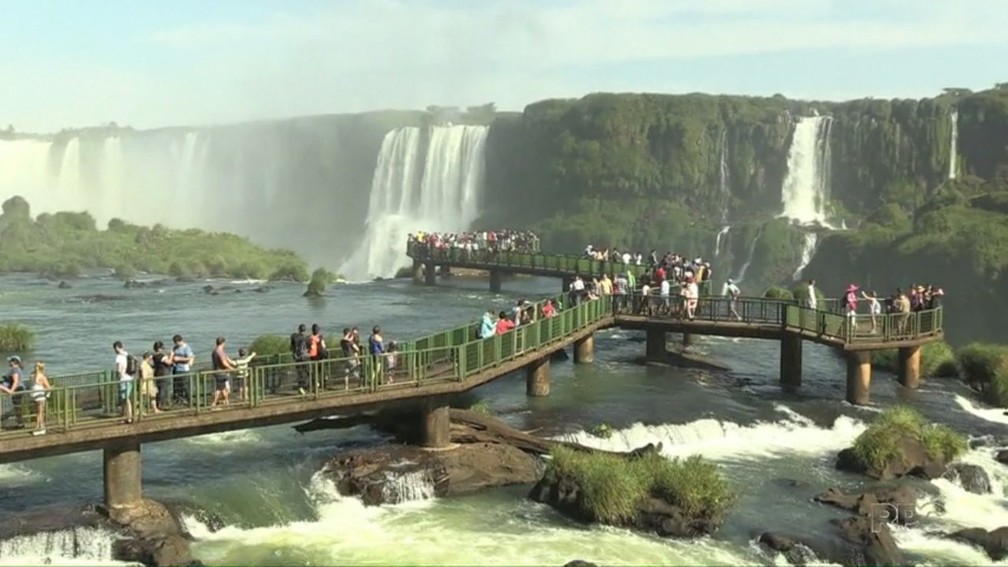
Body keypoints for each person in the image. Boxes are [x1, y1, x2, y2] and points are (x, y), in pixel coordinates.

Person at [1, 356, 25, 429]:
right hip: (18, 389)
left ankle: (20, 423)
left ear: (14, 362)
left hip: (17, 389)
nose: (9, 362)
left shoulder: (14, 369)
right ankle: (20, 423)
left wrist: (10, 390)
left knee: (17, 406)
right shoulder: (17, 369)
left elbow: (16, 381)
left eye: (10, 361)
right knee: (17, 407)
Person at [113, 341, 134, 424]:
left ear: (117, 348)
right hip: (130, 378)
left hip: (123, 379)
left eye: (114, 349)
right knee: (127, 398)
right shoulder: (127, 354)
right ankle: (129, 415)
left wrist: (117, 376)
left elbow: (118, 370)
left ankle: (128, 417)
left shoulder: (119, 357)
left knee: (125, 399)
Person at [211, 337, 235, 406]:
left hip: (216, 371)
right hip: (221, 372)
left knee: (222, 388)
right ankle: (214, 403)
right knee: (219, 390)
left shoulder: (214, 351)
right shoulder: (220, 352)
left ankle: (227, 402)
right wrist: (231, 368)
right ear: (223, 343)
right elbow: (224, 362)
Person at [29, 361, 51, 435]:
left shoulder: (31, 375)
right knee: (40, 412)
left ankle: (41, 425)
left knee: (38, 411)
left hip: (33, 395)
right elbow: (48, 387)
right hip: (40, 396)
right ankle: (38, 426)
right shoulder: (42, 376)